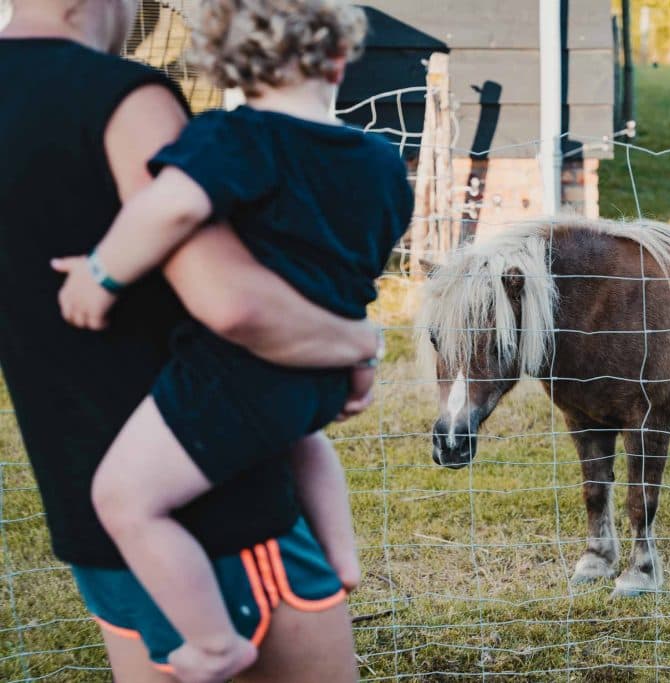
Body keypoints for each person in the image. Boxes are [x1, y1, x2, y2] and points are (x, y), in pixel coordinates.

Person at [0, 0, 383, 680]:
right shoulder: (123, 98)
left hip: (89, 511)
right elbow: (231, 303)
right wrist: (357, 340)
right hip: (217, 509)